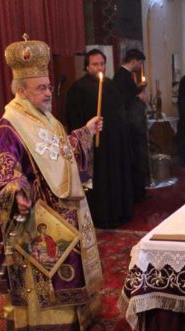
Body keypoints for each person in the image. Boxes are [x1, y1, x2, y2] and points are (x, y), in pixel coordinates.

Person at [0, 37, 103, 331]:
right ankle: (47, 325)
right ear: (22, 91)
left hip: (65, 209)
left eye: (49, 87)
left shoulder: (46, 118)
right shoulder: (8, 127)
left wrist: (85, 132)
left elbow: (61, 150)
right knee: (47, 268)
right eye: (41, 88)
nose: (49, 93)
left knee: (70, 266)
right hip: (38, 215)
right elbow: (2, 168)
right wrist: (16, 189)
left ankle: (76, 318)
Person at [66, 48, 136, 228]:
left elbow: (120, 113)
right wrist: (86, 136)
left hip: (115, 144)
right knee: (100, 181)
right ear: (87, 67)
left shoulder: (111, 85)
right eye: (95, 64)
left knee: (117, 177)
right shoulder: (78, 88)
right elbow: (74, 119)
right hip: (95, 147)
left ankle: (121, 212)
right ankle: (102, 216)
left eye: (102, 64)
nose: (99, 68)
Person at [114, 49, 148, 200]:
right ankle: (137, 193)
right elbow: (124, 101)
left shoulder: (124, 75)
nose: (140, 66)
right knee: (135, 157)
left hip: (131, 123)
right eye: (140, 63)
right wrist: (138, 97)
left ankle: (139, 191)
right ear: (134, 61)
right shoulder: (123, 76)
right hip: (130, 125)